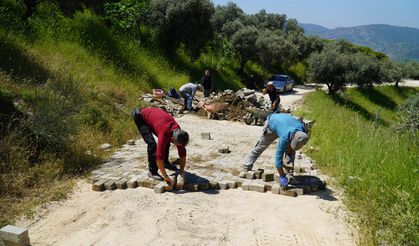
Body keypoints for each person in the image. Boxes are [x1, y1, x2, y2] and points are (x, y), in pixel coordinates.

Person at [241, 113, 309, 187]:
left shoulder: (302, 131)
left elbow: (293, 147)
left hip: (284, 125)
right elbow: (278, 158)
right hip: (272, 124)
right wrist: (281, 176)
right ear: (293, 137)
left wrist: (291, 149)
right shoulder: (285, 137)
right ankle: (246, 167)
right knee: (261, 146)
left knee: (290, 151)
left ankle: (289, 175)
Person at [131, 107, 189, 188]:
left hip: (156, 118)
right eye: (178, 144)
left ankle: (166, 163)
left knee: (166, 142)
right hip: (140, 117)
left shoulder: (178, 132)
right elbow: (159, 157)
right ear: (173, 139)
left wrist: (181, 172)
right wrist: (165, 176)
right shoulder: (164, 133)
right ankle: (152, 171)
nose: (178, 146)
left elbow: (182, 153)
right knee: (152, 145)